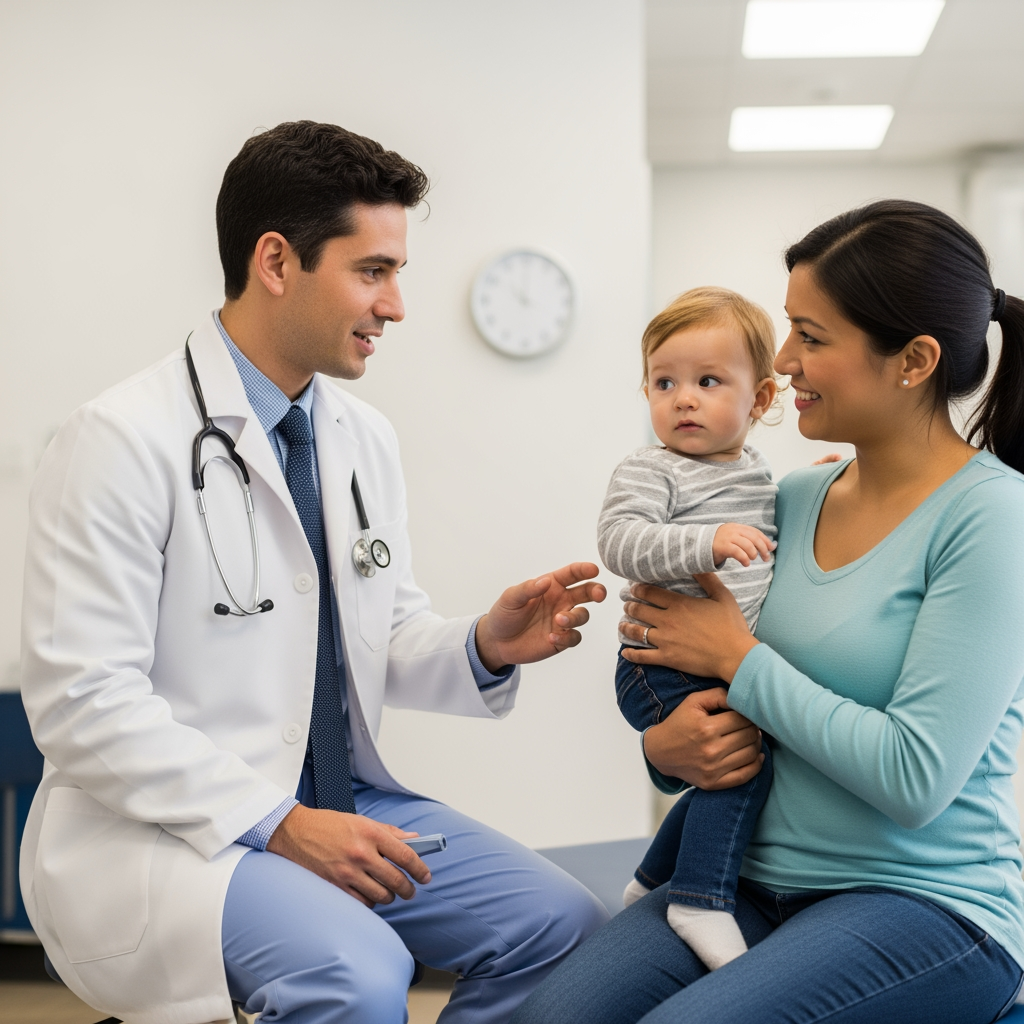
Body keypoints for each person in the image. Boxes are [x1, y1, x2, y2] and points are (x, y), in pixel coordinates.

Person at [19, 121, 610, 1024]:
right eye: (373, 271)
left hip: (341, 796)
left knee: (563, 927)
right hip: (169, 834)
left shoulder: (360, 437)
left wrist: (484, 645)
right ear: (276, 261)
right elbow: (81, 703)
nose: (398, 304)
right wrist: (279, 821)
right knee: (359, 969)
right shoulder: (118, 440)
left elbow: (372, 635)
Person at [511, 199, 1024, 1024]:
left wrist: (738, 661)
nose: (781, 362)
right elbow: (699, 678)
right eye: (789, 329)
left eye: (810, 337)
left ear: (913, 360)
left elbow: (915, 777)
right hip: (747, 879)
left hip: (925, 900)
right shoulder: (791, 497)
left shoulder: (993, 518)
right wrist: (666, 749)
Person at [597, 287, 779, 969]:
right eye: (664, 382)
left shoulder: (757, 473)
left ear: (759, 400)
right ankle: (698, 899)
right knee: (739, 766)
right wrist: (705, 543)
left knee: (720, 766)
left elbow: (775, 535)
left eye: (708, 382)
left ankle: (649, 878)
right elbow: (620, 540)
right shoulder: (651, 468)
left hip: (716, 662)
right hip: (658, 662)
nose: (683, 399)